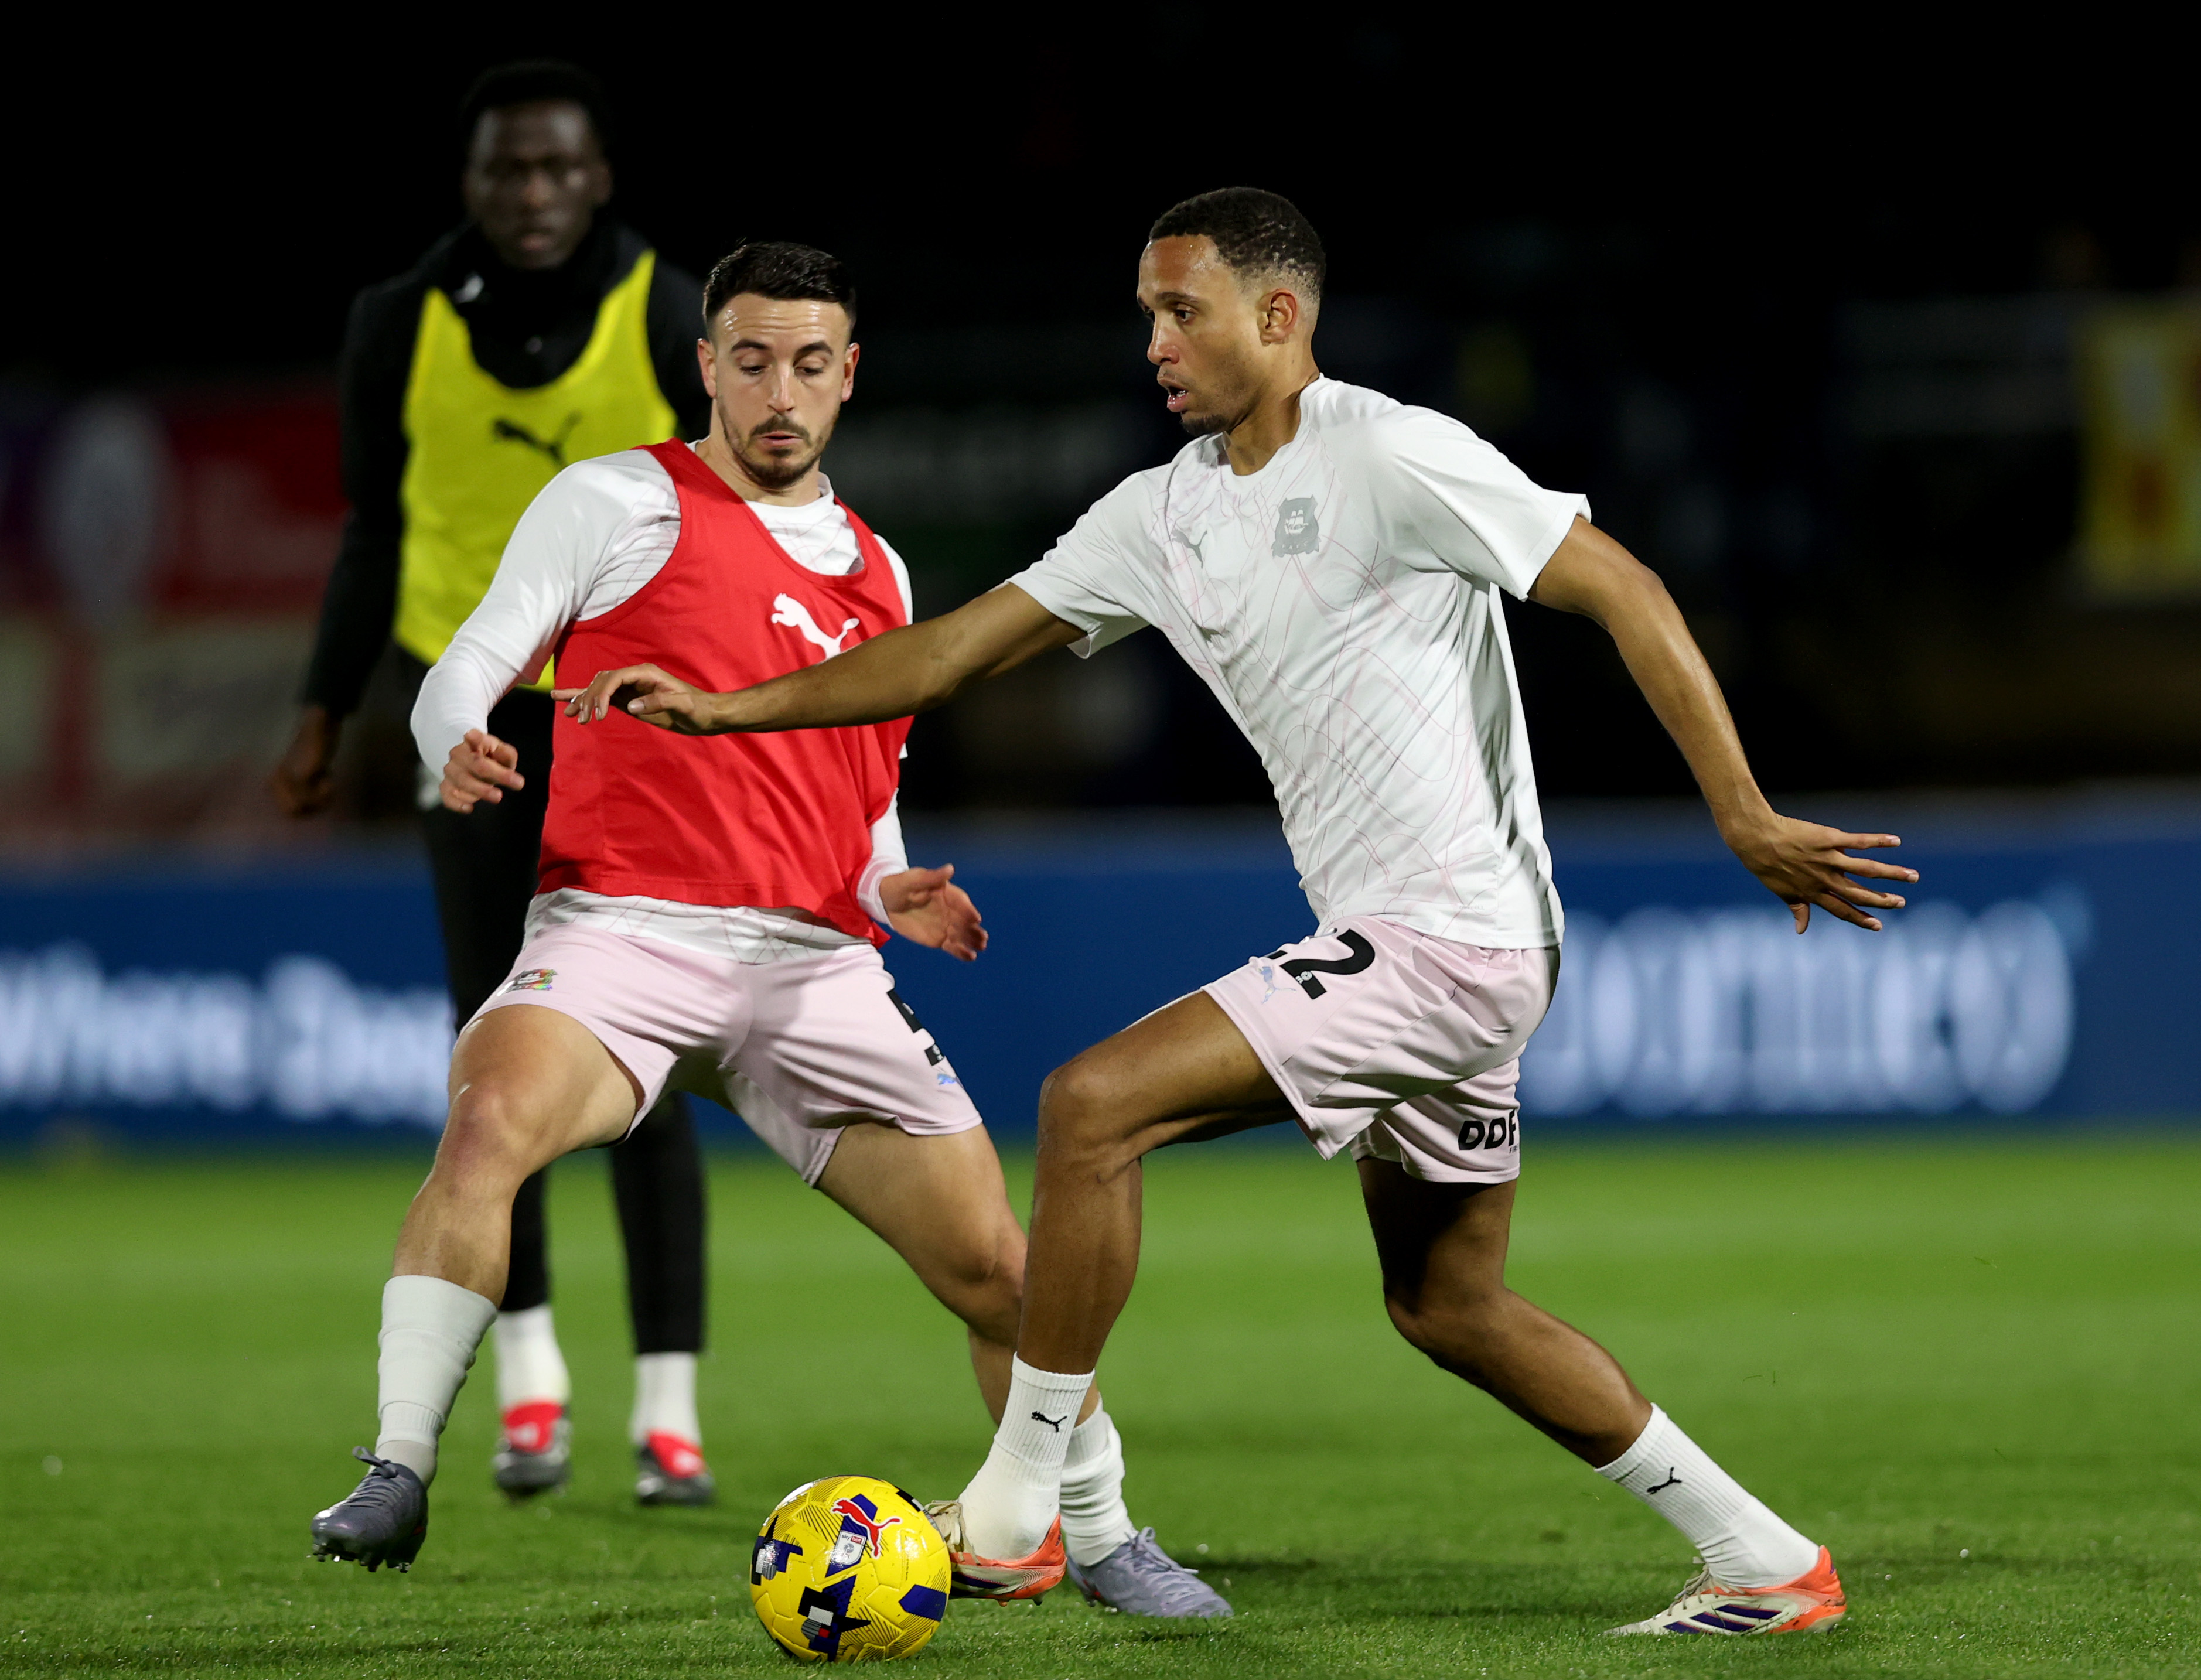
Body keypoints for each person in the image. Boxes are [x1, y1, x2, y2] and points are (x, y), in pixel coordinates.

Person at [562, 189, 1924, 1639]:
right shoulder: (1163, 514)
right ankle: (1765, 1560)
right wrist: (730, 711)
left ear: (1279, 316)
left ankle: (1017, 1512)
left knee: (1092, 1109)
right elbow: (947, 654)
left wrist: (1743, 813)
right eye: (1147, 314)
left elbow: (1624, 587)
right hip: (1418, 951)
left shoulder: (1390, 453)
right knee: (1448, 1305)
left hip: (1452, 941)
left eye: (1181, 311)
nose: (1154, 341)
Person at [307, 240, 1226, 1618]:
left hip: (813, 969)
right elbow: (468, 665)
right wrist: (456, 742)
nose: (779, 392)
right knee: (489, 1121)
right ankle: (398, 1465)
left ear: (849, 375)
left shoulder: (880, 572)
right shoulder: (613, 500)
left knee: (1005, 1274)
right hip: (622, 936)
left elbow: (867, 798)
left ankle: (1097, 1533)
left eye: (808, 363)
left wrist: (886, 887)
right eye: (751, 361)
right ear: (707, 366)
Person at [271, 61, 717, 1506]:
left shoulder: (669, 312)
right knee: (495, 1056)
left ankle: (669, 1413)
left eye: (559, 168)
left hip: (628, 724)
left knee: (646, 1055)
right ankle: (531, 1390)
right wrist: (324, 710)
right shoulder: (397, 324)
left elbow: (734, 518)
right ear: (469, 185)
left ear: (601, 179)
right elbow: (374, 529)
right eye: (507, 171)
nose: (534, 194)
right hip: (465, 717)